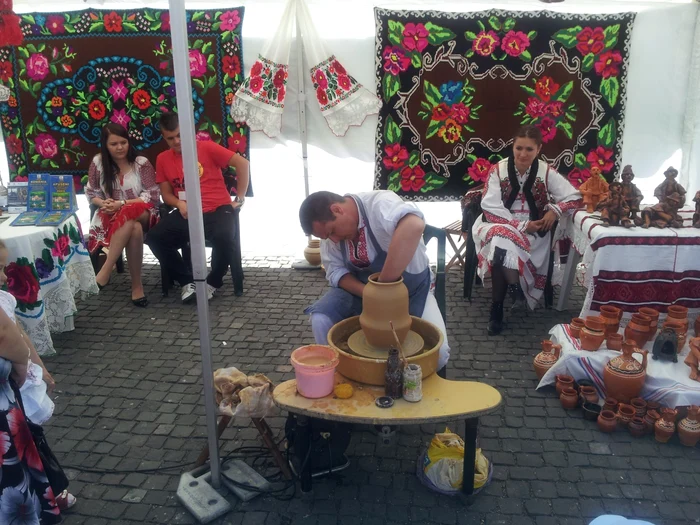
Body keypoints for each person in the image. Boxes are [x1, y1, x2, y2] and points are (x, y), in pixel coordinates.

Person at [299, 191, 450, 372]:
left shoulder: (379, 204)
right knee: (320, 319)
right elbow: (335, 271)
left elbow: (414, 224)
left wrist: (384, 286)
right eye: (326, 237)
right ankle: (341, 377)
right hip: (361, 293)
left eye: (332, 231)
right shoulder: (331, 236)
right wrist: (370, 293)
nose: (333, 240)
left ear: (337, 209)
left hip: (411, 293)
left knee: (440, 353)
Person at [472, 125, 582, 335]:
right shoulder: (498, 170)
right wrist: (520, 225)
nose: (523, 154)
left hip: (535, 231)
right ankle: (510, 296)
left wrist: (555, 211)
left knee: (500, 246)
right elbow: (490, 207)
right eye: (519, 148)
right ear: (512, 147)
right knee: (499, 240)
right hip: (499, 223)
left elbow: (574, 197)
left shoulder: (546, 172)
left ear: (538, 149)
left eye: (529, 149)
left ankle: (503, 304)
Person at [0, 240, 76, 521]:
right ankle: (50, 493)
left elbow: (19, 334)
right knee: (24, 445)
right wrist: (24, 364)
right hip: (8, 393)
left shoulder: (4, 300)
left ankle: (50, 490)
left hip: (15, 388)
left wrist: (38, 365)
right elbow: (10, 338)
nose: (4, 276)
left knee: (30, 441)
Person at [146, 113, 250, 303]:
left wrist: (239, 198)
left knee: (225, 236)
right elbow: (166, 194)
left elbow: (242, 164)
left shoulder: (206, 147)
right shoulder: (162, 159)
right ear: (164, 138)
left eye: (180, 135)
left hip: (218, 208)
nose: (177, 141)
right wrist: (178, 203)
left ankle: (213, 282)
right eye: (171, 138)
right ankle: (186, 281)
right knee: (154, 238)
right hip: (187, 212)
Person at [86, 123, 160, 307]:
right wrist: (104, 203)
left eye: (123, 142)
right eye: (113, 144)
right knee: (133, 228)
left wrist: (122, 203)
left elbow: (152, 196)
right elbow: (91, 193)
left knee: (128, 213)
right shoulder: (98, 163)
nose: (119, 147)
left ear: (129, 143)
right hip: (112, 215)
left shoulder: (141, 164)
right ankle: (137, 287)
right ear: (105, 145)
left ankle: (106, 269)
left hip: (144, 213)